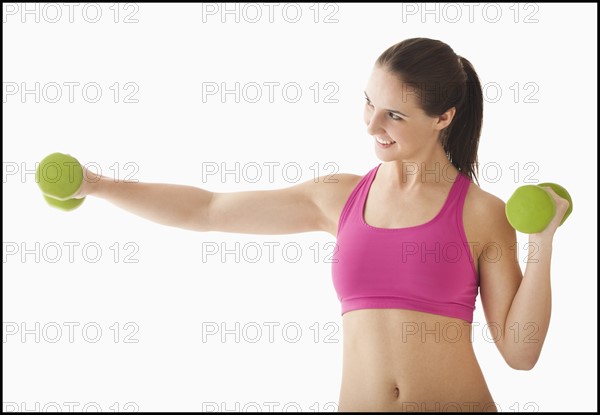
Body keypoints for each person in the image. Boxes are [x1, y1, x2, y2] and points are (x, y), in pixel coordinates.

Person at [72, 37, 569, 412]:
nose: (371, 125)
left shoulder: (481, 212)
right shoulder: (340, 197)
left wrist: (541, 242)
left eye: (394, 114)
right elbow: (208, 209)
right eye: (369, 102)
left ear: (443, 118)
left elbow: (520, 353)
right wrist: (97, 186)